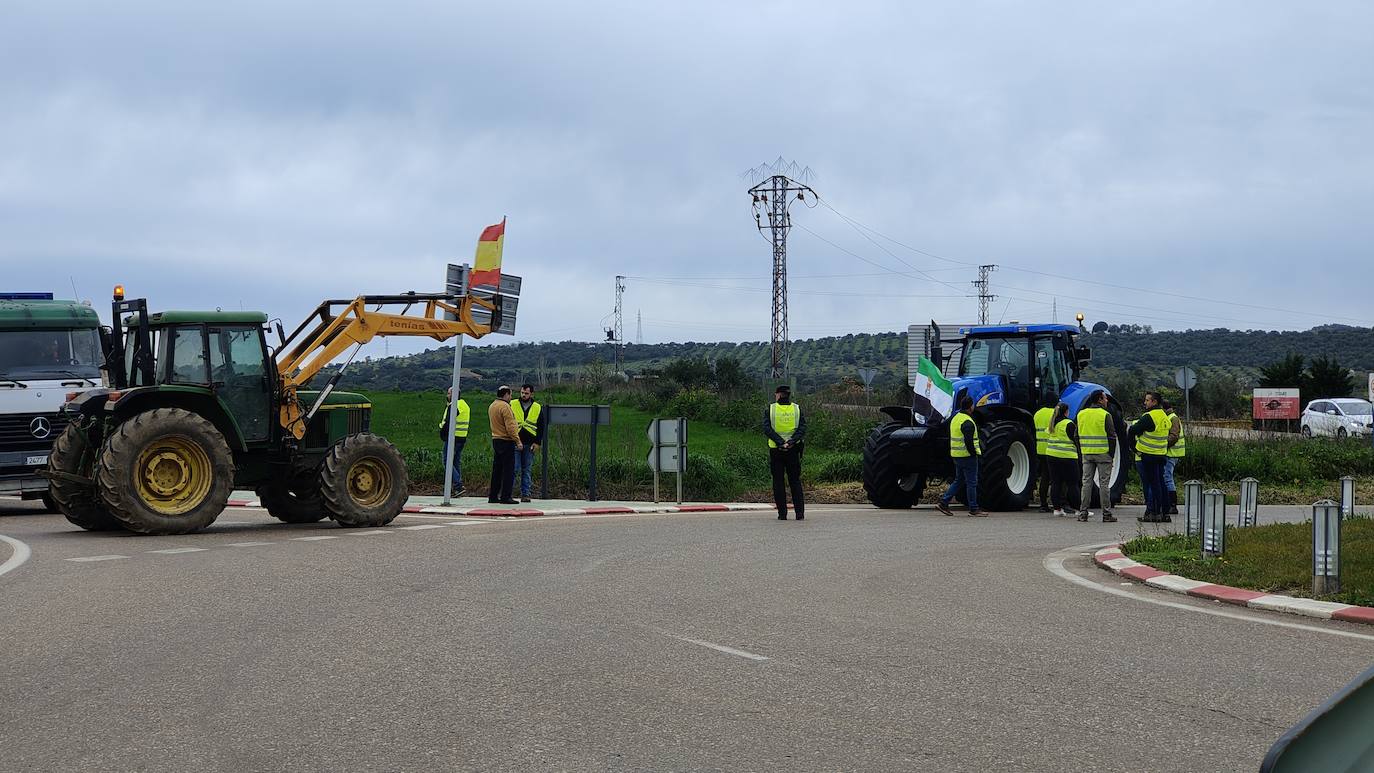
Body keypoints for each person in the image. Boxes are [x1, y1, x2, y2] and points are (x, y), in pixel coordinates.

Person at [936, 395, 985, 517]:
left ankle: (944, 502)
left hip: (956, 455)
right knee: (972, 482)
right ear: (970, 406)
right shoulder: (968, 421)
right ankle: (974, 508)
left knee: (959, 480)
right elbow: (969, 441)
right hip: (967, 456)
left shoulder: (955, 418)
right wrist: (974, 453)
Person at [1127, 391, 1172, 522]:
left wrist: (1134, 448)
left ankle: (1154, 512)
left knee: (1153, 484)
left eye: (1147, 400)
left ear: (1154, 402)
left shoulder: (1148, 416)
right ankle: (1165, 512)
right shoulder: (1164, 416)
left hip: (1148, 454)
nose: (1145, 403)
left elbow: (1132, 430)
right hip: (1161, 454)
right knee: (1161, 483)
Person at [764, 385, 806, 520]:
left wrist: (780, 442)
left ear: (778, 395)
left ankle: (782, 514)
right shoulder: (796, 409)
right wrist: (791, 442)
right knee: (795, 481)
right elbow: (802, 428)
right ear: (788, 395)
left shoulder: (771, 409)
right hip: (793, 450)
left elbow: (767, 429)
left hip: (776, 450)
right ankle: (799, 514)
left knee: (778, 482)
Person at [1076, 390, 1118, 523]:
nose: (1107, 401)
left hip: (1087, 453)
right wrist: (1111, 455)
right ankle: (1106, 513)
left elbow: (1076, 435)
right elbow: (1112, 437)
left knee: (1086, 483)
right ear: (1099, 400)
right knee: (1104, 484)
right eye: (1105, 399)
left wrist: (1081, 449)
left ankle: (1083, 513)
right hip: (1103, 454)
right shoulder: (1105, 415)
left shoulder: (1081, 414)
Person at [510, 383, 548, 502]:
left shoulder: (537, 407)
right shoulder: (512, 404)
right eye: (522, 393)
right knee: (514, 469)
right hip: (515, 441)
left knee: (526, 470)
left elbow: (541, 426)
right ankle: (508, 493)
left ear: (531, 393)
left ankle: (525, 494)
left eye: (526, 393)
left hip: (530, 443)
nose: (524, 395)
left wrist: (537, 443)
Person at [487, 385, 522, 504]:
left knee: (497, 470)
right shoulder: (505, 407)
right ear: (506, 394)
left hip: (496, 439)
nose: (511, 397)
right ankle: (506, 496)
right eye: (510, 395)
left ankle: (493, 496)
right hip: (506, 441)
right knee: (508, 470)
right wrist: (517, 441)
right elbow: (511, 427)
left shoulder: (492, 406)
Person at [1044, 401, 1079, 516]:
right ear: (1066, 412)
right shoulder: (1068, 423)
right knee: (1073, 484)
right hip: (1068, 456)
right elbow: (1075, 439)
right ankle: (1079, 509)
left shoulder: (1052, 423)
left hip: (1051, 455)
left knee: (1055, 483)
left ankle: (1057, 509)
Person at [437, 387, 470, 496]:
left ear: (454, 394)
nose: (447, 395)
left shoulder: (454, 405)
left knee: (447, 461)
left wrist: (443, 434)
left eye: (449, 393)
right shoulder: (464, 405)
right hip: (462, 437)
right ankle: (456, 489)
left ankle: (458, 485)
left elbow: (449, 422)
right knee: (455, 463)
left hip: (453, 438)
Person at [1033, 393, 1058, 513]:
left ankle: (1043, 504)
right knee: (1055, 478)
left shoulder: (1037, 413)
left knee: (1044, 477)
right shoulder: (1055, 413)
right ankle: (1056, 503)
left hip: (1040, 450)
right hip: (1052, 449)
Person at [1163, 401, 1184, 515]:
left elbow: (1174, 436)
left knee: (1168, 478)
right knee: (1167, 477)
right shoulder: (1171, 417)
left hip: (1172, 453)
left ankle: (1173, 505)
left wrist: (1162, 445)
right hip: (1171, 453)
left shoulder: (1172, 418)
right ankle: (1170, 504)